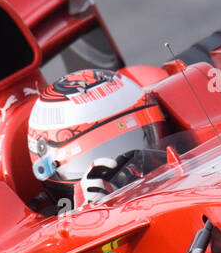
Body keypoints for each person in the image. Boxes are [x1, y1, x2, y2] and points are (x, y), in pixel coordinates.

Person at [27, 68, 170, 209]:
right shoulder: (51, 228)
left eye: (130, 141)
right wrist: (87, 216)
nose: (130, 171)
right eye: (95, 156)